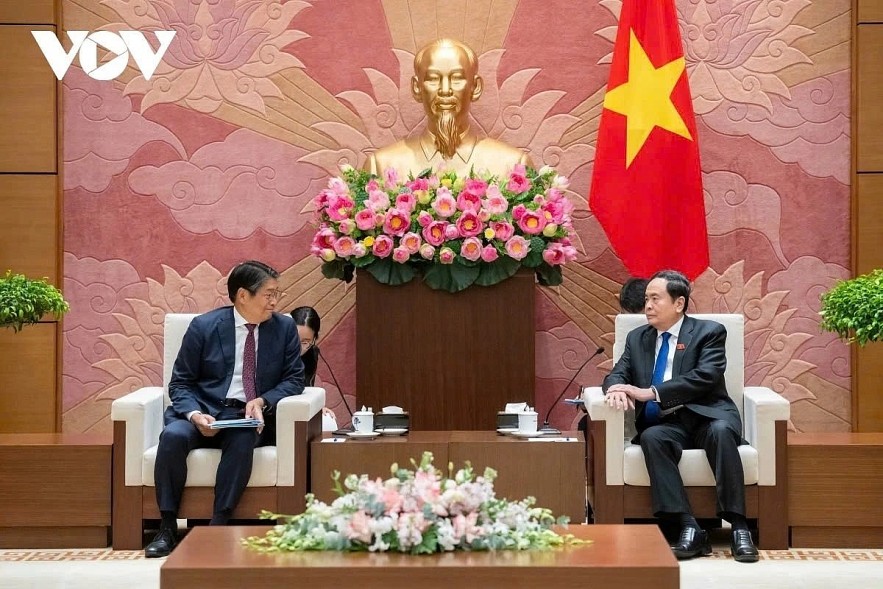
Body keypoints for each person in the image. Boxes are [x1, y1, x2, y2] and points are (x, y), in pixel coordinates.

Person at [145, 261, 305, 558]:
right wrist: (194, 414)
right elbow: (180, 384)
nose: (275, 301)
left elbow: (294, 379)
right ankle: (167, 526)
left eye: (277, 294)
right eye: (269, 294)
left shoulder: (283, 328)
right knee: (173, 437)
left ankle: (218, 525)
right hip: (201, 410)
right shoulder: (204, 327)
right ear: (243, 295)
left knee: (243, 438)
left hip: (245, 416)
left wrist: (262, 400)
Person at [602, 270, 759, 563]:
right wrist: (615, 389)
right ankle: (689, 527)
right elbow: (617, 373)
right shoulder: (638, 338)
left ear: (679, 303)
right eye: (646, 299)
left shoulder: (709, 332)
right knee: (651, 437)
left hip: (708, 415)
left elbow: (706, 376)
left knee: (722, 432)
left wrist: (652, 392)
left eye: (655, 299)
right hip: (667, 423)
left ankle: (739, 527)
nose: (647, 305)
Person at [366, 38, 531, 178]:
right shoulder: (380, 166)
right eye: (433, 79)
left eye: (457, 78)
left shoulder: (514, 166)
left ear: (476, 87)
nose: (445, 90)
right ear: (417, 88)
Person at [291, 305, 338, 431]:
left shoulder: (312, 353)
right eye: (294, 339)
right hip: (279, 408)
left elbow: (307, 387)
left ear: (315, 338)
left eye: (306, 342)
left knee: (327, 421)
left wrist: (316, 406)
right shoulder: (276, 352)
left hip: (301, 406)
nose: (299, 346)